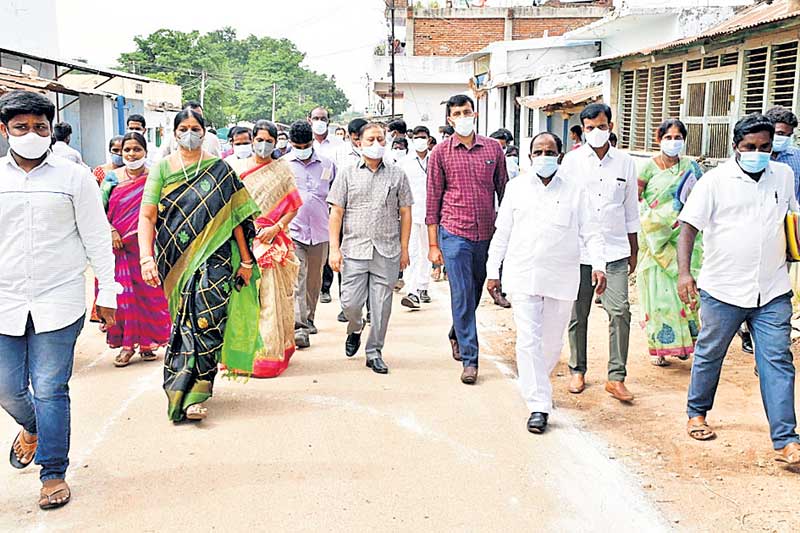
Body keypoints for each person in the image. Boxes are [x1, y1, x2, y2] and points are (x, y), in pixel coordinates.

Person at [0, 90, 119, 510]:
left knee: (50, 388)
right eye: (21, 127)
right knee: (9, 388)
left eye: (40, 127)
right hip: (4, 301)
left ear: (51, 130)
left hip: (59, 299)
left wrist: (109, 293)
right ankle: (33, 428)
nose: (31, 134)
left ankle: (52, 473)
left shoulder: (74, 177)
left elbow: (97, 238)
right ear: (4, 130)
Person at [677, 113, 800, 464]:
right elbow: (688, 227)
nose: (758, 153)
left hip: (771, 288)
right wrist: (686, 274)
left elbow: (792, 218)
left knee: (777, 358)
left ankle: (786, 439)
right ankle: (697, 412)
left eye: (764, 147)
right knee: (710, 352)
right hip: (722, 288)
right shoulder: (715, 181)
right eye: (750, 147)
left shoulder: (784, 175)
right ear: (736, 147)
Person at [138, 108, 258, 423]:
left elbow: (236, 219)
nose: (189, 133)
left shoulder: (220, 169)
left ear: (204, 132)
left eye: (195, 128)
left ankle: (197, 393)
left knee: (209, 321)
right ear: (174, 133)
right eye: (184, 128)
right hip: (174, 258)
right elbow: (148, 216)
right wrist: (145, 256)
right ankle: (178, 387)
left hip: (216, 259)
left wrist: (246, 261)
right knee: (182, 324)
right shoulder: (162, 169)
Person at [487, 132, 606, 433]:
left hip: (561, 276)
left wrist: (599, 265)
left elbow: (591, 232)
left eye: (549, 151)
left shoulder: (576, 191)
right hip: (522, 274)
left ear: (560, 156)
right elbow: (502, 234)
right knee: (528, 339)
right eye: (537, 152)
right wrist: (492, 270)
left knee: (551, 343)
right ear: (529, 157)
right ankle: (539, 405)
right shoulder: (515, 189)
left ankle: (536, 382)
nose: (543, 157)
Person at [427, 94, 508, 385]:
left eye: (466, 111)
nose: (462, 117)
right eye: (457, 113)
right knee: (461, 293)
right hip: (454, 232)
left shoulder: (493, 149)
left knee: (474, 293)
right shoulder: (440, 154)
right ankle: (470, 360)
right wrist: (433, 244)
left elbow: (505, 192)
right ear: (449, 119)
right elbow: (433, 199)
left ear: (475, 114)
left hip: (486, 233)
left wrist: (508, 232)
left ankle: (456, 332)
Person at [560, 103, 639, 402]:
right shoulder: (571, 162)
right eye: (590, 128)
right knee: (578, 312)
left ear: (611, 126)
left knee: (620, 311)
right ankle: (577, 369)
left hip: (616, 248)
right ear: (583, 130)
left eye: (602, 126)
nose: (597, 132)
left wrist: (634, 247)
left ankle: (616, 377)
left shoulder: (626, 162)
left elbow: (631, 208)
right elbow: (564, 206)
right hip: (579, 250)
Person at [328, 122, 413, 374]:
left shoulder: (397, 174)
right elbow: (336, 212)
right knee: (350, 304)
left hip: (386, 250)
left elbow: (406, 212)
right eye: (370, 140)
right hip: (354, 249)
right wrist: (334, 248)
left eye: (380, 139)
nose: (376, 144)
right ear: (359, 143)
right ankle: (355, 328)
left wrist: (404, 248)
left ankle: (374, 351)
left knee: (381, 307)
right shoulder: (346, 174)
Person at [226, 120, 303, 378]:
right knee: (244, 300)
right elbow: (232, 208)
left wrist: (276, 227)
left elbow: (293, 204)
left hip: (272, 241)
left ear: (276, 141)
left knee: (271, 299)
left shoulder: (282, 170)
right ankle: (240, 355)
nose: (263, 145)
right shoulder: (238, 169)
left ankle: (268, 357)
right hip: (243, 242)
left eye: (269, 140)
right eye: (258, 140)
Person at [98, 132, 171, 367]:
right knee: (124, 297)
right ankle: (127, 346)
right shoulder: (111, 178)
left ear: (145, 152)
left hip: (147, 247)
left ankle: (148, 343)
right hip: (119, 248)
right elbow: (98, 210)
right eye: (126, 150)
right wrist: (111, 231)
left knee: (150, 294)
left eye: (136, 150)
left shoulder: (156, 177)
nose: (131, 154)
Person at [637, 119, 704, 367]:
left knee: (686, 294)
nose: (673, 142)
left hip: (686, 240)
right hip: (657, 242)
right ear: (659, 139)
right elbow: (637, 202)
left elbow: (700, 198)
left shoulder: (692, 167)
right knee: (660, 297)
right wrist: (660, 220)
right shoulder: (647, 168)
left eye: (678, 137)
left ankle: (684, 343)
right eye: (669, 137)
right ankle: (662, 349)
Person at [287, 120, 335, 349]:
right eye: (298, 145)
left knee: (314, 280)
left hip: (320, 231)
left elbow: (336, 198)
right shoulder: (284, 164)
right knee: (298, 278)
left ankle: (309, 317)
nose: (302, 148)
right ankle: (299, 328)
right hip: (292, 231)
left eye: (305, 144)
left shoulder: (327, 165)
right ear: (291, 144)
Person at [325, 117, 369, 308]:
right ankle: (347, 303)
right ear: (352, 136)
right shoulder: (338, 155)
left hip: (371, 215)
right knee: (347, 261)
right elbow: (330, 184)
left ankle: (370, 307)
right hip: (346, 215)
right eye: (360, 137)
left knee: (371, 262)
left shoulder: (379, 154)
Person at [400, 126, 433, 310]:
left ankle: (423, 286)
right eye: (417, 137)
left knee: (428, 251)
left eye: (423, 137)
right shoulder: (404, 163)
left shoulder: (435, 160)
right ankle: (411, 290)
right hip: (409, 213)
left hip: (430, 213)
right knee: (411, 252)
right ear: (412, 140)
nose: (420, 140)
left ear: (429, 140)